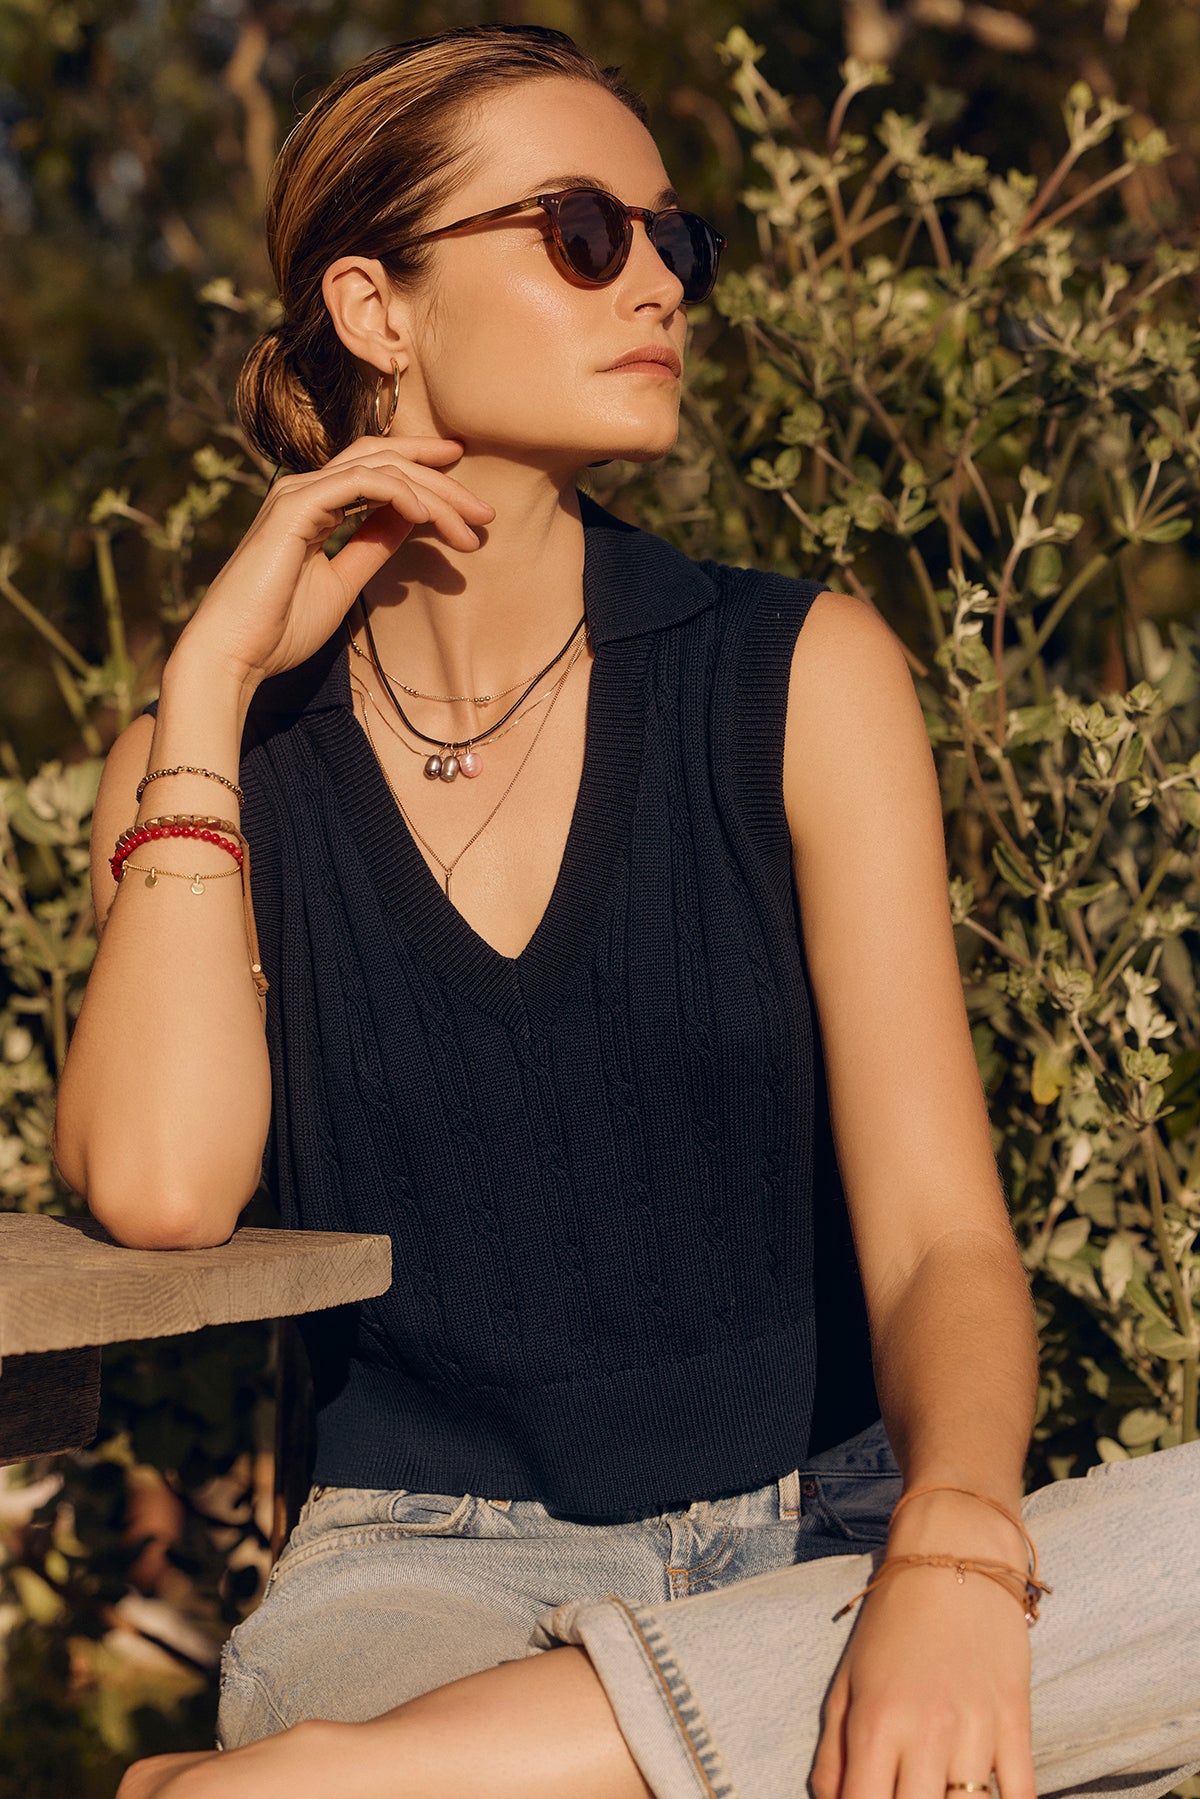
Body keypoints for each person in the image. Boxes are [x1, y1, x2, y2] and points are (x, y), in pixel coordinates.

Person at [53, 24, 1200, 1799]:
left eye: (679, 239)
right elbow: (156, 1185)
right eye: (585, 231)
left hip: (834, 1537)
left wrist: (958, 1555)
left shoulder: (799, 675)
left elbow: (937, 1245)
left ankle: (377, 1782)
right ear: (376, 307)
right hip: (425, 1577)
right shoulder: (213, 765)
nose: (659, 278)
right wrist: (205, 682)